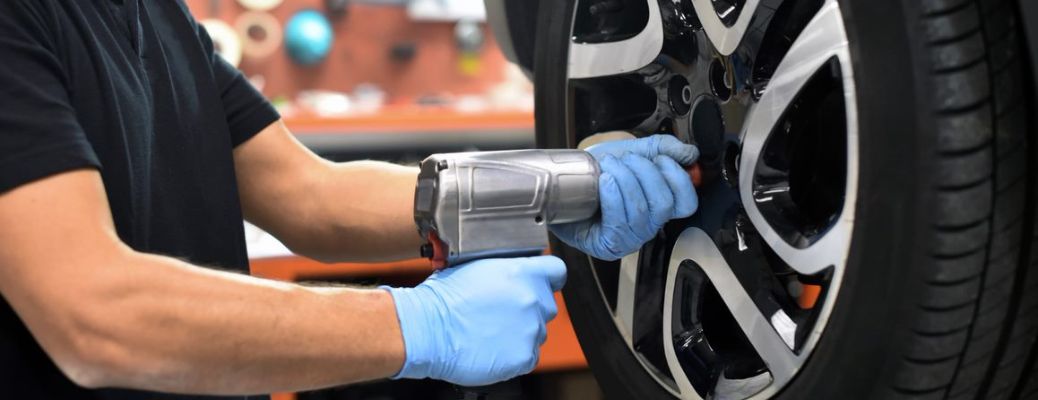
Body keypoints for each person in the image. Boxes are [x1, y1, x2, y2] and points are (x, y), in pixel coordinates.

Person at [0, 1, 699, 399]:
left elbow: (308, 194)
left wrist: (555, 190)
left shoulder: (152, 15)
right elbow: (93, 314)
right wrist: (418, 326)